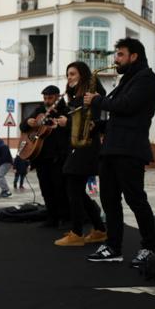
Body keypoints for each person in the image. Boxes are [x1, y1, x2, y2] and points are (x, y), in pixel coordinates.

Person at [84, 37, 155, 267]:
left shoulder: (146, 79)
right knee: (109, 201)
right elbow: (120, 117)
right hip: (112, 149)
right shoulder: (127, 80)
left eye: (120, 54)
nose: (115, 59)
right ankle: (113, 246)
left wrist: (98, 100)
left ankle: (149, 247)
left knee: (136, 200)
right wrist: (99, 126)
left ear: (134, 56)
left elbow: (128, 106)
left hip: (130, 150)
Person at [54, 61, 107, 247]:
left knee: (73, 187)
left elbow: (88, 122)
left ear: (82, 76)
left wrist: (66, 123)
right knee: (76, 190)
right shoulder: (75, 96)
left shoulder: (90, 95)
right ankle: (99, 229)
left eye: (73, 74)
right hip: (80, 146)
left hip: (87, 146)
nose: (69, 78)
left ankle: (77, 233)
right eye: (68, 74)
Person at [19, 85, 71, 227]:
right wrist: (27, 122)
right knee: (46, 189)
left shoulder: (65, 111)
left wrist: (55, 122)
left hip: (58, 157)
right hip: (41, 156)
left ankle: (64, 218)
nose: (47, 101)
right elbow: (23, 126)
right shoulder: (39, 110)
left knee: (60, 189)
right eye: (45, 98)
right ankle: (51, 217)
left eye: (50, 98)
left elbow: (68, 130)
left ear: (57, 97)